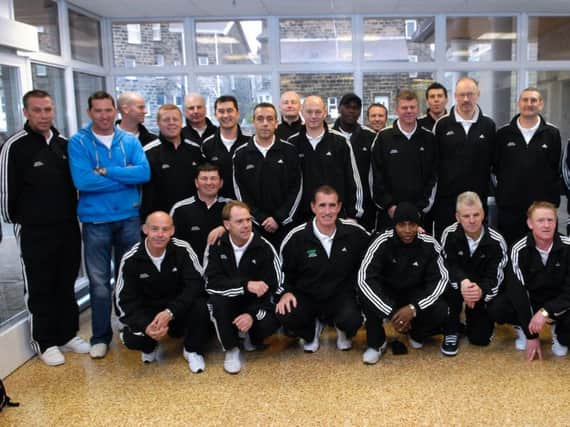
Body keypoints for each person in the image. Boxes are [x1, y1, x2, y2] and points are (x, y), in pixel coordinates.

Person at [0, 90, 89, 366]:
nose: (43, 115)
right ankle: (44, 341)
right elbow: (5, 192)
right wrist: (19, 220)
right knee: (40, 286)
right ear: (26, 112)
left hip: (67, 227)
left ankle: (67, 334)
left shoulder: (64, 144)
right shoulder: (14, 146)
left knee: (65, 282)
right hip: (34, 229)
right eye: (37, 110)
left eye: (48, 109)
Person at [68, 90, 150, 359]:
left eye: (108, 110)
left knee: (132, 278)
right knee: (100, 283)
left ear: (116, 111)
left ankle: (132, 326)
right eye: (98, 110)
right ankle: (100, 336)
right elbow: (83, 181)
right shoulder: (79, 142)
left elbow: (144, 173)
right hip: (96, 221)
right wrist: (125, 177)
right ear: (90, 113)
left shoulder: (129, 140)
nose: (104, 115)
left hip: (128, 217)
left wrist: (107, 171)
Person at [276, 186, 370, 353]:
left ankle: (343, 330)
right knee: (286, 312)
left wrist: (415, 232)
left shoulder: (355, 232)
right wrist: (285, 292)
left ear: (339, 207)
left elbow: (378, 247)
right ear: (313, 207)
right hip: (308, 296)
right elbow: (282, 271)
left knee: (352, 319)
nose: (327, 211)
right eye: (322, 205)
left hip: (341, 295)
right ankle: (310, 332)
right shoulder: (296, 237)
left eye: (332, 205)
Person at [115, 211, 210, 372]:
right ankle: (149, 345)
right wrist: (146, 326)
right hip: (149, 313)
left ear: (172, 231)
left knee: (202, 307)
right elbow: (123, 300)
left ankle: (192, 350)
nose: (160, 234)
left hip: (176, 309)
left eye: (165, 229)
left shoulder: (183, 249)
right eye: (155, 229)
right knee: (133, 339)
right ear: (145, 229)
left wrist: (170, 312)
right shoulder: (131, 258)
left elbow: (195, 285)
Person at [357, 202, 449, 364]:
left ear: (418, 225)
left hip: (413, 294)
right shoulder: (381, 241)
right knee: (367, 295)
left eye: (412, 224)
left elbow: (441, 281)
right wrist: (393, 314)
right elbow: (364, 279)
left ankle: (416, 332)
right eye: (402, 225)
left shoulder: (429, 244)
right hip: (388, 293)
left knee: (440, 309)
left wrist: (413, 308)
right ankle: (376, 343)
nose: (407, 230)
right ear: (394, 225)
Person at [204, 201, 281, 374]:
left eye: (248, 220)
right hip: (229, 302)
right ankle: (231, 350)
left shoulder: (265, 247)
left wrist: (251, 314)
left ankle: (251, 337)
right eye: (239, 221)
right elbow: (212, 284)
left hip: (255, 305)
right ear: (226, 225)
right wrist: (245, 286)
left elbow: (275, 287)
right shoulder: (215, 246)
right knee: (216, 302)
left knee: (270, 319)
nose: (246, 225)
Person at [488, 201, 570, 361]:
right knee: (497, 307)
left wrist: (546, 312)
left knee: (565, 340)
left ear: (556, 222)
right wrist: (530, 335)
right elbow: (517, 292)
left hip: (559, 303)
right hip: (530, 300)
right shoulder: (518, 249)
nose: (546, 225)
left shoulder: (568, 247)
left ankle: (557, 329)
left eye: (550, 220)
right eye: (540, 220)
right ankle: (522, 326)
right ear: (530, 223)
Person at [440, 192, 508, 356]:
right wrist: (463, 283)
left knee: (479, 339)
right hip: (457, 287)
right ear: (458, 217)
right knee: (445, 287)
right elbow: (447, 266)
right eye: (466, 216)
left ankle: (472, 321)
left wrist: (480, 291)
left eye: (476, 215)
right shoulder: (448, 234)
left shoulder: (497, 241)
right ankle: (451, 330)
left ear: (483, 213)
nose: (472, 220)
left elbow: (495, 278)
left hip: (480, 290)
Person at [494, 88, 561, 245]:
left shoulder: (552, 133)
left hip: (541, 209)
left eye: (533, 100)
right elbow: (496, 167)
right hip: (510, 208)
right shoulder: (503, 134)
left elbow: (555, 168)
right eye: (525, 100)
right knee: (510, 249)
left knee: (541, 251)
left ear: (541, 104)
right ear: (519, 103)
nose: (529, 104)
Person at [432, 77, 496, 238]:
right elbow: (433, 163)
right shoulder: (442, 125)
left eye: (470, 94)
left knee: (476, 244)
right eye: (462, 95)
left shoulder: (488, 125)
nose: (466, 99)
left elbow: (494, 162)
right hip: (447, 201)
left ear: (478, 95)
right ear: (455, 96)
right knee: (447, 243)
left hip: (478, 199)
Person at [232, 102, 302, 246]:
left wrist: (279, 218)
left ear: (276, 123)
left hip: (286, 226)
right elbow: (241, 193)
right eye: (260, 119)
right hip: (254, 226)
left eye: (270, 119)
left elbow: (297, 188)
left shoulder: (289, 151)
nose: (265, 123)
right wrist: (260, 218)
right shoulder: (241, 154)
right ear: (254, 123)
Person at [289, 95, 363, 224]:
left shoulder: (340, 142)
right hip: (301, 217)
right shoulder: (292, 143)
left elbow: (353, 180)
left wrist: (353, 214)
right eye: (309, 112)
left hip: (336, 215)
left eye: (318, 112)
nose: (313, 116)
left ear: (325, 112)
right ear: (302, 112)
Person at [371, 89, 437, 232]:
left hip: (421, 215)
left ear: (418, 109)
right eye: (404, 107)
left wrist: (421, 208)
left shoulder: (429, 138)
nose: (408, 111)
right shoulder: (383, 138)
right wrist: (389, 206)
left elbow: (434, 176)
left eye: (412, 107)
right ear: (397, 109)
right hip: (389, 215)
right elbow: (375, 175)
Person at [141, 104, 204, 219]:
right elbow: (145, 192)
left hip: (192, 217)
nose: (171, 123)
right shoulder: (148, 153)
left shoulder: (195, 150)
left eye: (175, 119)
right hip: (161, 219)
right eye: (166, 120)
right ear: (158, 123)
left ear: (181, 122)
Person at [333, 93, 377, 231]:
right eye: (347, 107)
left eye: (356, 108)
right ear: (340, 108)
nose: (351, 111)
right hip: (333, 204)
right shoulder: (329, 135)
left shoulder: (370, 136)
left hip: (365, 206)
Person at [170, 163, 228, 263]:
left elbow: (248, 231)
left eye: (213, 178)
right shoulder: (180, 209)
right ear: (196, 182)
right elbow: (171, 242)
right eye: (204, 178)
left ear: (221, 183)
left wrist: (226, 228)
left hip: (225, 272)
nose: (209, 183)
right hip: (189, 270)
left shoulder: (232, 207)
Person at [201, 95, 249, 199]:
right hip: (217, 206)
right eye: (221, 111)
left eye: (230, 110)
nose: (226, 115)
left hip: (246, 206)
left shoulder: (249, 143)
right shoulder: (207, 145)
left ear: (237, 113)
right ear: (215, 114)